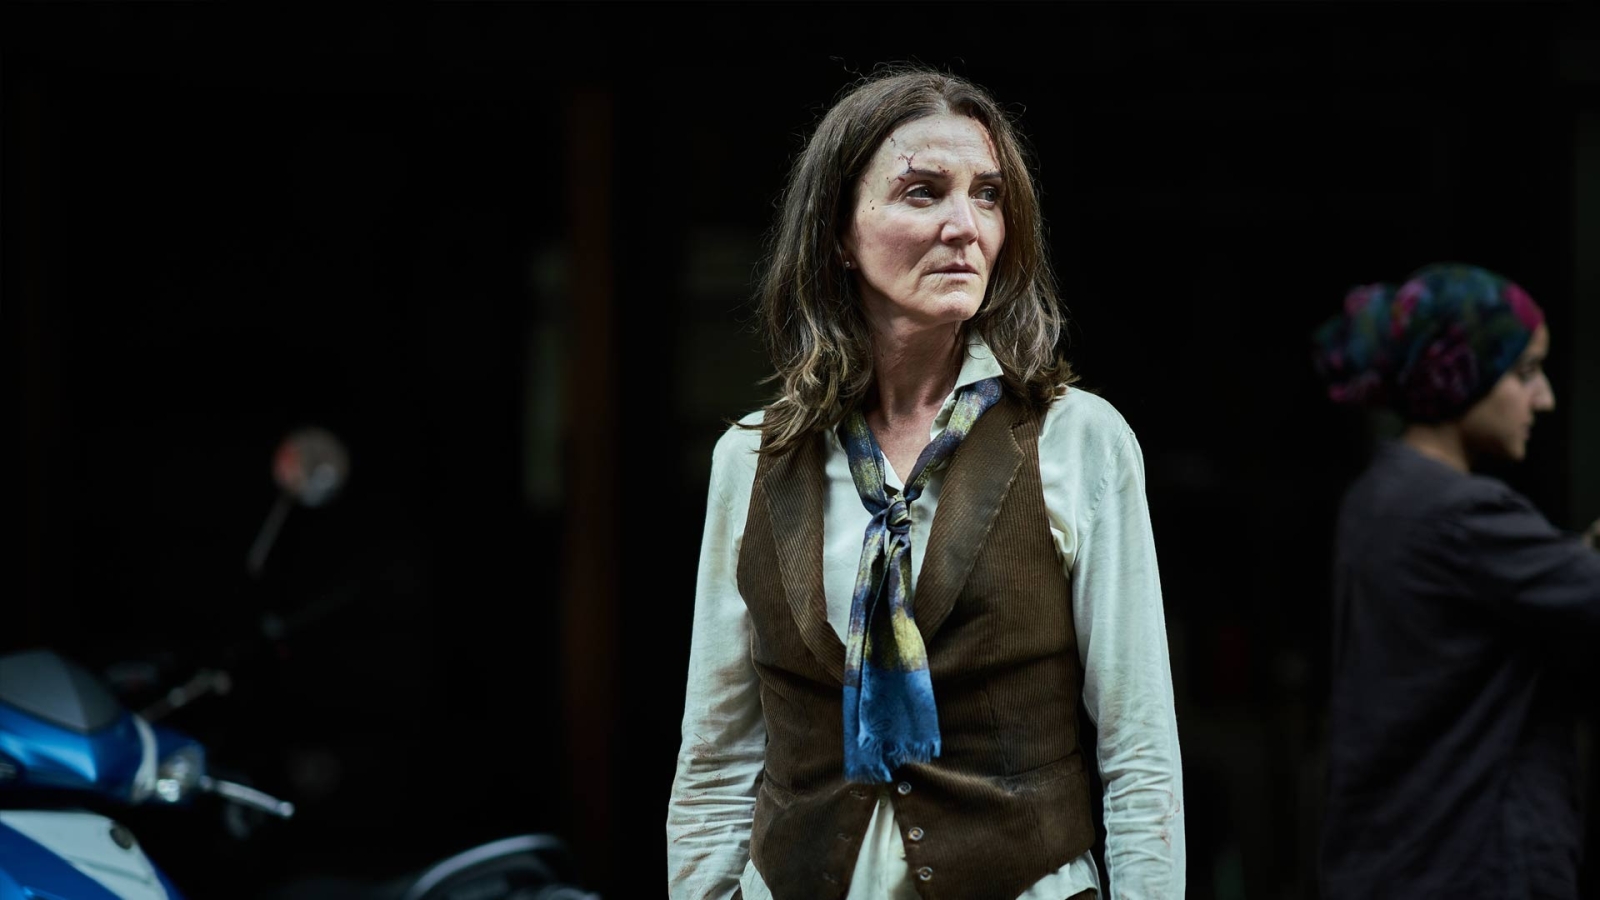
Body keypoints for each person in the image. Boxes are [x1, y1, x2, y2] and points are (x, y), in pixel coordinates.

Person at [666, 65, 1185, 900]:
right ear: (838, 232)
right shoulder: (754, 459)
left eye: (988, 196)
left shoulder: (1078, 441)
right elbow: (717, 759)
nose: (965, 226)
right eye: (922, 193)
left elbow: (1139, 749)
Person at [1311, 262, 1600, 898]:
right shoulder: (1457, 516)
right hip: (1468, 869)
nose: (1545, 398)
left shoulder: (1380, 498)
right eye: (1525, 372)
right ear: (1461, 373)